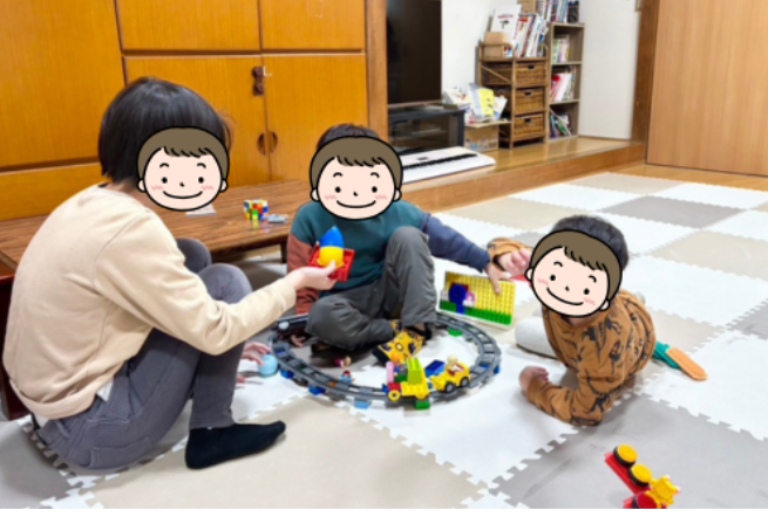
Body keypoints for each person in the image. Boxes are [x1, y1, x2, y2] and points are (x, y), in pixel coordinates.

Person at [2, 78, 336, 472]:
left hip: (50, 411)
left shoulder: (92, 201)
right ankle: (213, 431)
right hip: (93, 431)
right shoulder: (132, 229)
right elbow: (218, 330)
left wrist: (216, 358)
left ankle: (204, 393)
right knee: (227, 283)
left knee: (190, 254)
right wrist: (294, 283)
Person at [287, 125, 526, 361]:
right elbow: (300, 274)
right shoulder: (310, 216)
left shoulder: (396, 210)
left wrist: (485, 262)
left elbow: (444, 239)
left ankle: (417, 328)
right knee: (321, 316)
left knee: (409, 236)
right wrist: (304, 318)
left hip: (392, 293)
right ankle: (392, 329)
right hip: (345, 302)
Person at [490, 216, 657, 427]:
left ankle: (634, 303)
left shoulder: (604, 347)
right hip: (584, 319)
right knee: (530, 322)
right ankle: (629, 298)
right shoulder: (552, 268)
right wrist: (507, 257)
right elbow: (496, 244)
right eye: (557, 272)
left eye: (584, 285)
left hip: (618, 339)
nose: (566, 286)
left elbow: (586, 412)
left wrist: (533, 386)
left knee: (524, 330)